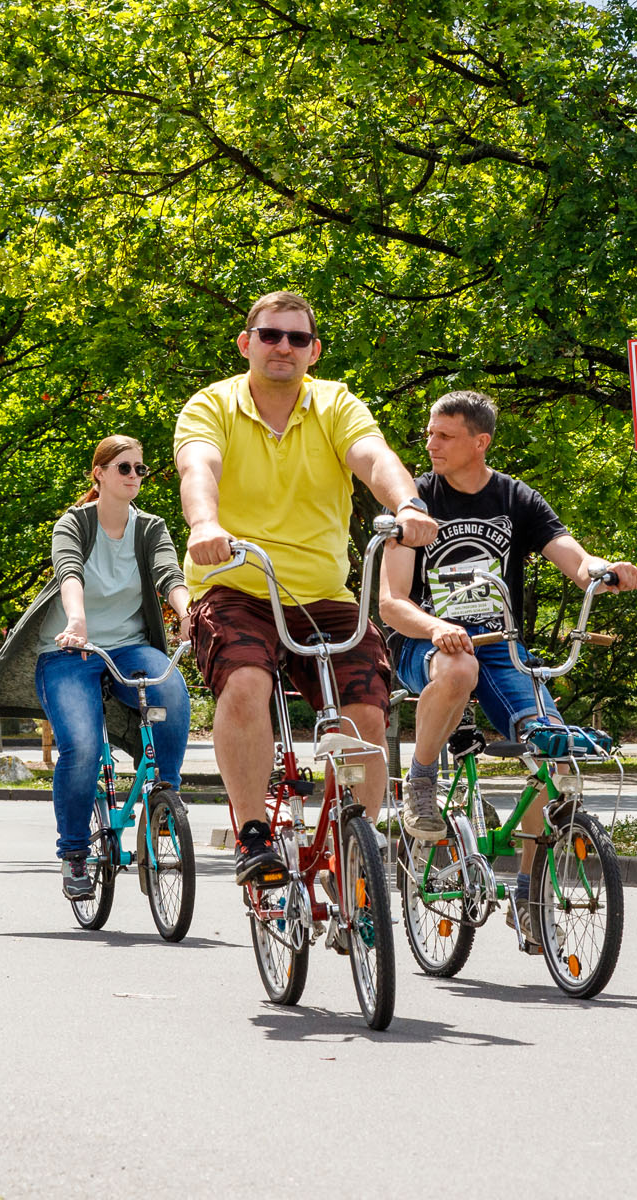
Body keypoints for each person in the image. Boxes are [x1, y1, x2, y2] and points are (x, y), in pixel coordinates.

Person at [174, 290, 439, 885]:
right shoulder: (211, 405)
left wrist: (408, 503)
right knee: (244, 683)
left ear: (313, 352)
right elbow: (199, 468)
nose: (283, 347)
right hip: (236, 585)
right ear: (247, 343)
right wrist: (205, 524)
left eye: (297, 339)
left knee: (367, 712)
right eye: (270, 335)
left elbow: (374, 457)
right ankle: (253, 835)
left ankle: (354, 856)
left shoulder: (334, 403)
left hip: (323, 596)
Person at [378, 390, 637, 950]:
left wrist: (603, 570)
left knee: (555, 748)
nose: (430, 445)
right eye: (429, 434)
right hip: (426, 641)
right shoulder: (414, 502)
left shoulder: (515, 498)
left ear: (481, 442)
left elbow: (571, 555)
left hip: (499, 645)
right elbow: (390, 602)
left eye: (444, 436)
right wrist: (433, 628)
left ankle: (528, 891)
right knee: (456, 668)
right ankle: (422, 782)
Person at [0, 436, 192, 900]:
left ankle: (162, 808)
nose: (134, 477)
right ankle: (75, 853)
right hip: (68, 650)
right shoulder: (74, 523)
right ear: (99, 473)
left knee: (173, 693)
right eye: (124, 468)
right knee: (81, 746)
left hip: (128, 646)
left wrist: (185, 613)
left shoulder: (151, 528)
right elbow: (70, 573)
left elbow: (169, 575)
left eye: (141, 470)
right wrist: (77, 622)